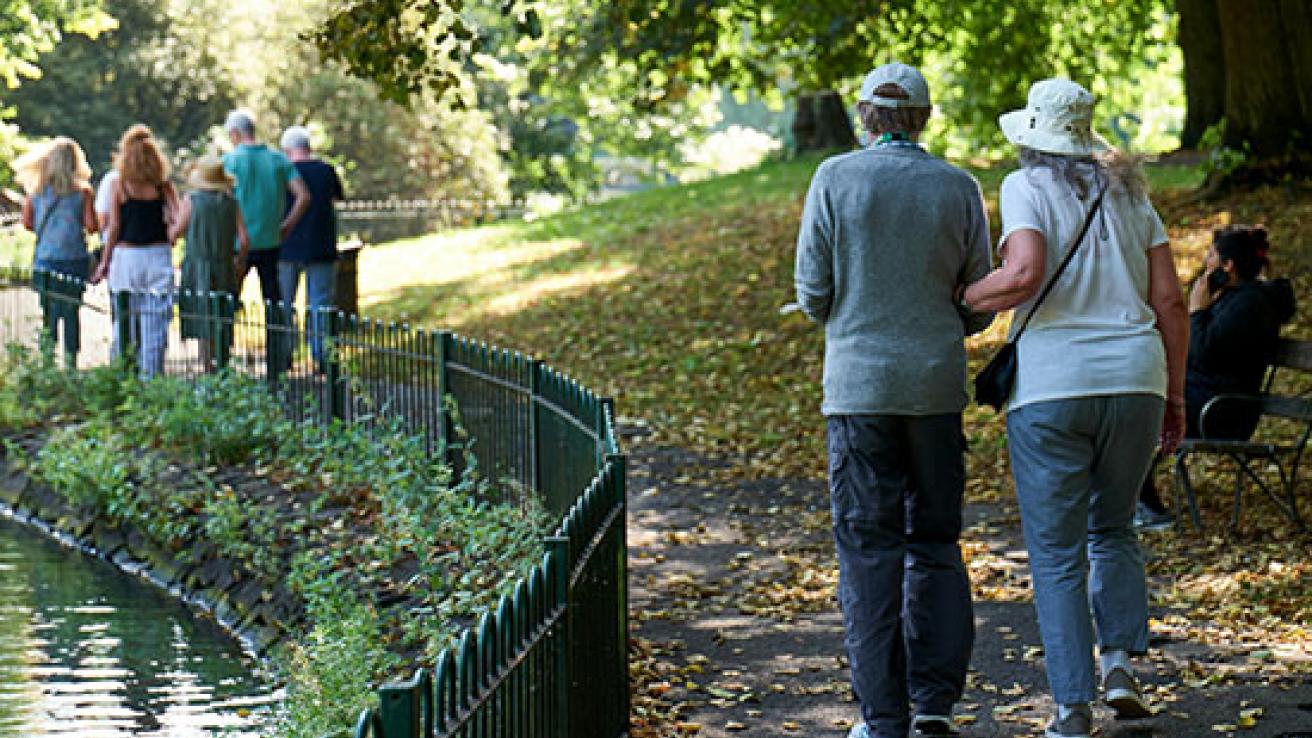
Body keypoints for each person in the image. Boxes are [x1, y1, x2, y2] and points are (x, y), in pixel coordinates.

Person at [959, 79, 1189, 738]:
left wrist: (965, 295)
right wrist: (1174, 393)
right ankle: (1119, 666)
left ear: (1032, 137)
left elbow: (1024, 272)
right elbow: (1170, 301)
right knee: (1113, 527)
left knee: (1058, 552)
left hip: (1053, 389)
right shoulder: (1133, 196)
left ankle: (1071, 708)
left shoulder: (1024, 187)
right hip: (1135, 381)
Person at [794, 62, 994, 738]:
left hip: (858, 391)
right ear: (925, 119)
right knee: (935, 541)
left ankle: (883, 717)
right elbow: (979, 301)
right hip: (935, 390)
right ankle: (935, 703)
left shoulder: (834, 180)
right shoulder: (958, 186)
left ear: (864, 117)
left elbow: (813, 293)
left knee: (868, 549)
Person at [1137, 225, 1296, 527]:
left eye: (1210, 255)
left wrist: (1197, 312)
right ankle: (1136, 500)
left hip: (1224, 411)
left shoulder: (1250, 306)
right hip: (1208, 398)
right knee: (1137, 403)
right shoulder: (1233, 299)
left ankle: (1145, 506)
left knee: (1143, 410)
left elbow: (1199, 354)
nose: (1205, 262)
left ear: (1228, 266)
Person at [91, 124, 180, 379]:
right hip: (158, 256)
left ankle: (120, 376)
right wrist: (172, 235)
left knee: (125, 321)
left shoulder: (121, 185)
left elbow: (114, 226)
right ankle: (150, 380)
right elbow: (179, 216)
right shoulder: (164, 186)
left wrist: (104, 262)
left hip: (126, 258)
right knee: (155, 324)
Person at [15, 137, 98, 366]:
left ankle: (47, 362)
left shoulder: (36, 192)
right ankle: (71, 363)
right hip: (74, 260)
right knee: (72, 313)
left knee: (48, 315)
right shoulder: (83, 193)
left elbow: (27, 223)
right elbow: (91, 226)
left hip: (46, 260)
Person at [221, 110, 311, 303]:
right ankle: (277, 333)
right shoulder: (278, 159)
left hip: (238, 242)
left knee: (229, 300)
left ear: (235, 133)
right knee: (272, 301)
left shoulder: (229, 161)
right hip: (271, 240)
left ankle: (224, 334)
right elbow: (303, 196)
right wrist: (287, 226)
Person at [169, 155, 250, 370]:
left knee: (202, 316)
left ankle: (206, 365)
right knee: (222, 315)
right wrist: (238, 262)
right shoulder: (232, 203)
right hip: (223, 265)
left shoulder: (191, 201)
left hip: (197, 266)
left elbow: (175, 233)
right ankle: (222, 362)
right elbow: (244, 240)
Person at [278, 125, 344, 370]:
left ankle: (284, 355)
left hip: (287, 247)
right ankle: (323, 357)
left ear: (287, 150)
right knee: (320, 303)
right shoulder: (326, 170)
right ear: (308, 147)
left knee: (284, 303)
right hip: (321, 245)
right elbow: (337, 197)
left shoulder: (284, 171)